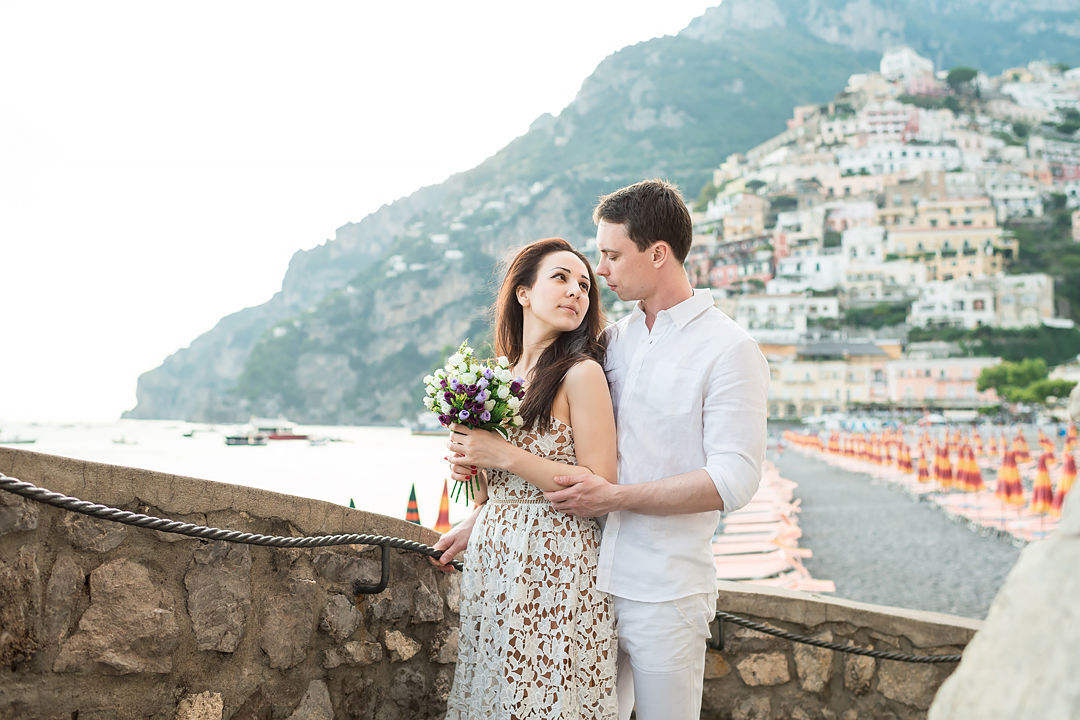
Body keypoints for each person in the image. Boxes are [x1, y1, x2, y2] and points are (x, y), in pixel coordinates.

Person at [543, 179, 769, 720]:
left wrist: (615, 497)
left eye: (612, 254)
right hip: (586, 581)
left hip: (667, 592)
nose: (600, 270)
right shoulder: (611, 341)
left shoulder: (730, 350)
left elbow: (733, 480)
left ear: (659, 254)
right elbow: (554, 438)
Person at [433, 237, 619, 719]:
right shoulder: (494, 377)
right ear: (522, 293)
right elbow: (490, 491)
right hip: (497, 555)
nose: (577, 291)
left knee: (547, 696)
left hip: (558, 559)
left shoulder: (581, 374)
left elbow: (599, 485)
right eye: (561, 278)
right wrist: (469, 465)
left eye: (584, 285)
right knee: (496, 693)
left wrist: (505, 454)